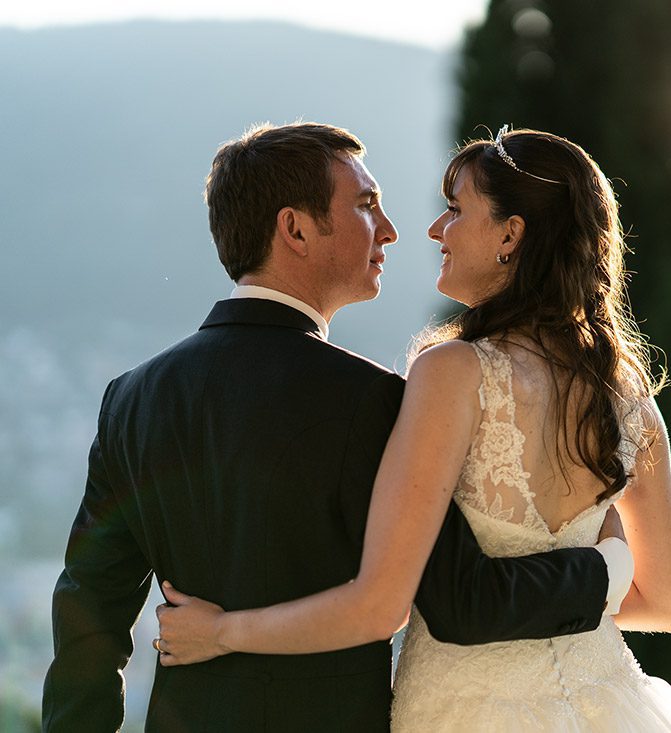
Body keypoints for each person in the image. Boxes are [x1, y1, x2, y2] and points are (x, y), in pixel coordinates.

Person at [41, 122, 635, 733]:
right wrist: (608, 568)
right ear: (294, 229)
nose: (392, 230)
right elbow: (463, 598)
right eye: (365, 205)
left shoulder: (133, 399)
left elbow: (89, 609)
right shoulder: (374, 400)